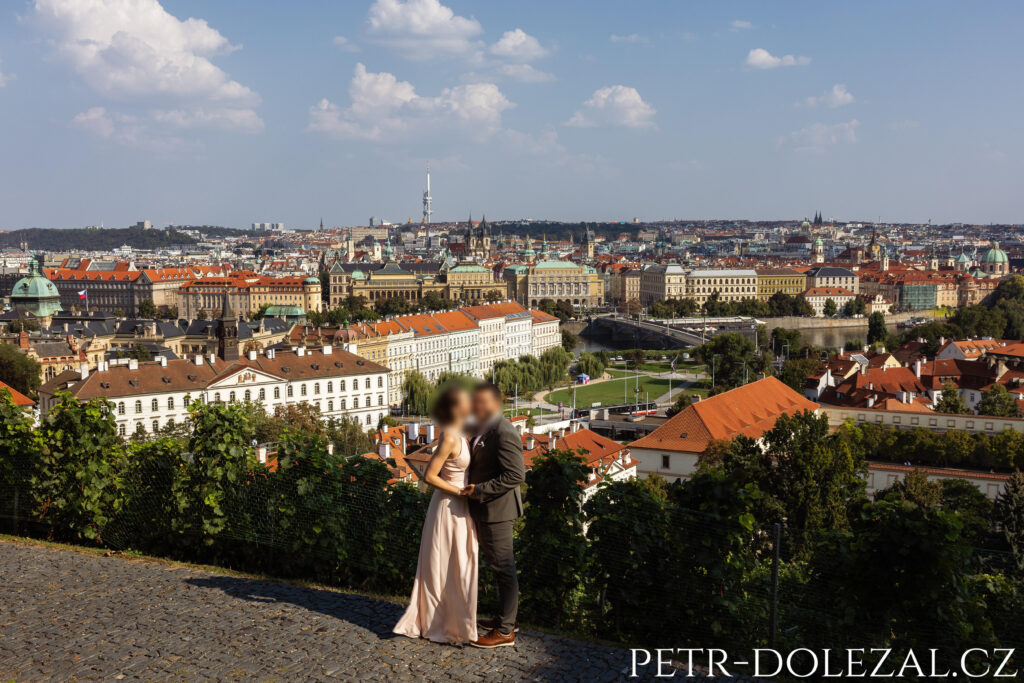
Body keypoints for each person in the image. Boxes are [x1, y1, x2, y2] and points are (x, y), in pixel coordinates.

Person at [393, 386, 478, 644]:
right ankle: (437, 622)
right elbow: (429, 476)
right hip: (447, 506)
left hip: (461, 508)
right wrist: (458, 491)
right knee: (442, 567)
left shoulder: (464, 433)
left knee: (461, 565)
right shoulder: (450, 436)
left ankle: (458, 623)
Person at [462, 382, 526, 649]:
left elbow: (515, 475)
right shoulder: (486, 427)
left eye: (481, 402)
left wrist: (479, 491)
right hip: (488, 509)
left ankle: (505, 631)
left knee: (504, 569)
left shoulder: (503, 431)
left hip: (497, 511)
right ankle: (504, 619)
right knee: (499, 568)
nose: (476, 406)